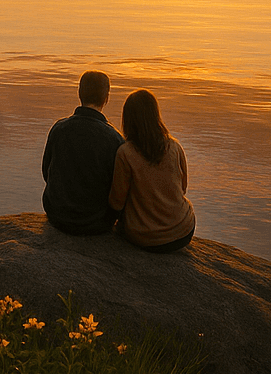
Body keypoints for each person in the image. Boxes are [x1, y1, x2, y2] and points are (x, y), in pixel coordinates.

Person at [109, 88, 195, 253]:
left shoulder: (125, 153)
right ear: (156, 116)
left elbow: (116, 202)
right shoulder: (175, 147)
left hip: (143, 237)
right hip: (183, 231)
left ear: (128, 119)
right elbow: (182, 189)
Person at [41, 71, 124, 235]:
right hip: (97, 221)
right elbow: (118, 190)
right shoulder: (115, 139)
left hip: (58, 215)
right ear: (106, 98)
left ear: (79, 93)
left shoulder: (59, 129)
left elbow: (46, 172)